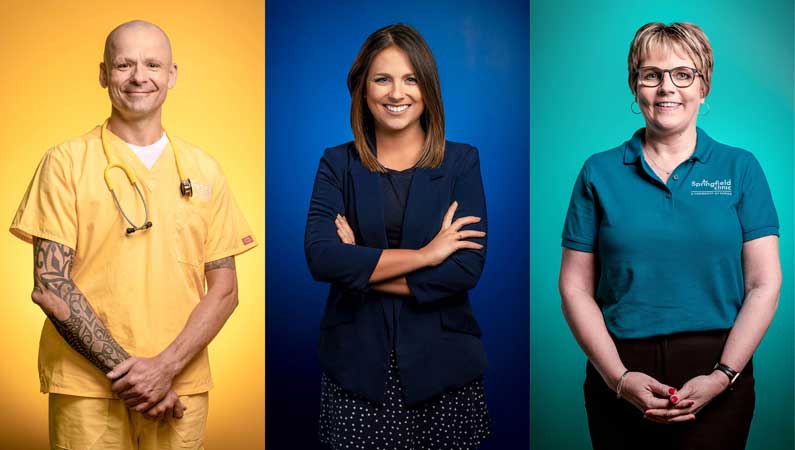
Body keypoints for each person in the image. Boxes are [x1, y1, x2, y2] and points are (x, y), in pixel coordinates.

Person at [10, 20, 256, 449]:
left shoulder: (204, 170)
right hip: (88, 390)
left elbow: (225, 290)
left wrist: (166, 369)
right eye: (124, 64)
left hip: (180, 387)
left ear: (172, 75)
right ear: (104, 74)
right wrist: (140, 378)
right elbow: (50, 285)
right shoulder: (65, 163)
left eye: (152, 65)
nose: (139, 76)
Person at [559, 22, 781, 450]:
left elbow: (764, 284)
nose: (667, 88)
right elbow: (573, 287)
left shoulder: (741, 169)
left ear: (704, 85)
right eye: (651, 74)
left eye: (683, 74)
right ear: (634, 85)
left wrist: (723, 376)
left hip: (720, 367)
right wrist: (618, 379)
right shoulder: (597, 172)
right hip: (620, 368)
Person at [304, 23, 491, 450]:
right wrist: (427, 255)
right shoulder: (337, 164)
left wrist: (360, 266)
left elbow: (465, 268)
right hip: (355, 366)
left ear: (427, 88)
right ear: (363, 89)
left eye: (410, 79)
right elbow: (321, 258)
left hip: (443, 368)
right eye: (382, 79)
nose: (396, 93)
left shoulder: (462, 162)